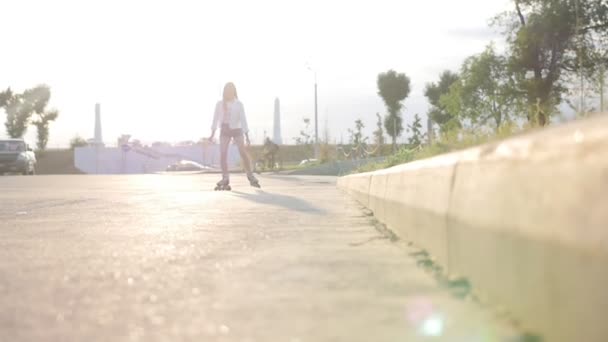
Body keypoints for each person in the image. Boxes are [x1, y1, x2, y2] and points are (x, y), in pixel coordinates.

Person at [209, 82, 260, 189]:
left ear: (234, 91)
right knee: (223, 154)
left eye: (231, 91)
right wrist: (212, 134)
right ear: (224, 92)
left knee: (243, 152)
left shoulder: (238, 104)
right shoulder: (219, 104)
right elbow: (215, 119)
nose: (229, 93)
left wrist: (246, 135)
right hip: (224, 130)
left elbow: (243, 119)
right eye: (227, 91)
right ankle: (225, 177)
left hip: (237, 130)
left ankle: (250, 176)